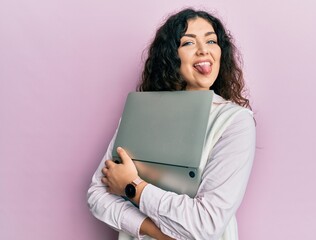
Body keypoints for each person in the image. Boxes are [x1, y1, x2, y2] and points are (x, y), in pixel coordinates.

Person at [87, 8, 256, 240]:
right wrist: (154, 231)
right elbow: (97, 194)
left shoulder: (234, 121)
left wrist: (132, 186)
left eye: (211, 40)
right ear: (171, 55)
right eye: (188, 43)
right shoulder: (141, 114)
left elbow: (206, 224)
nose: (203, 49)